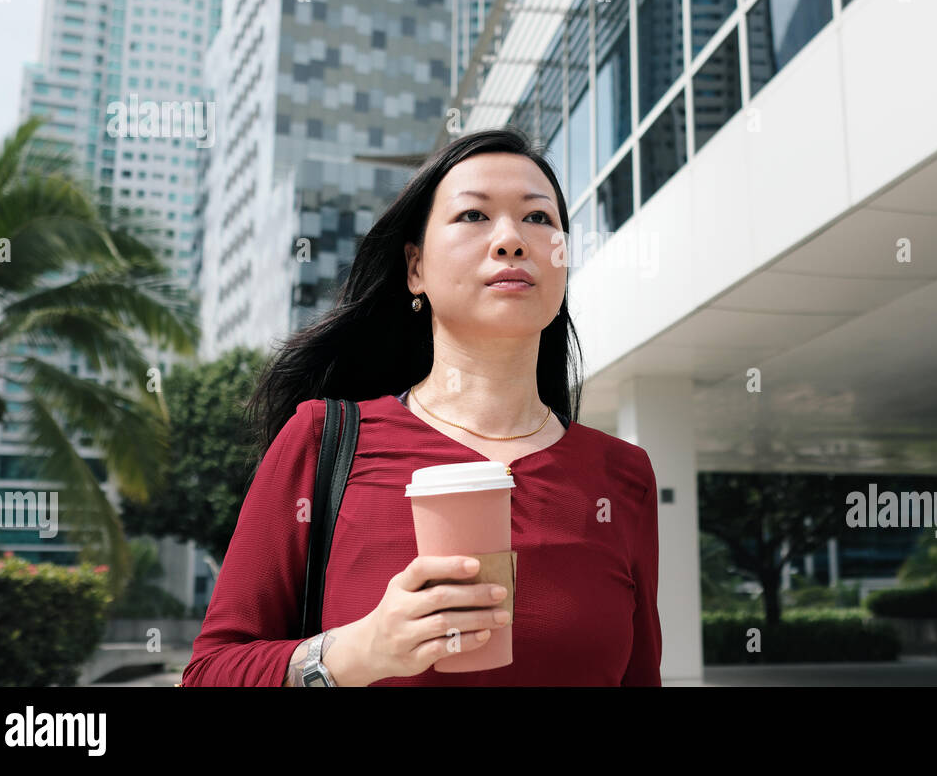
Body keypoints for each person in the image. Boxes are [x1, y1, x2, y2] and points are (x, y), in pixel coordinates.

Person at [180, 127, 661, 686]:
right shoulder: (324, 439)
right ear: (416, 268)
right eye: (473, 216)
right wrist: (355, 652)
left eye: (539, 218)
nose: (511, 239)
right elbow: (208, 675)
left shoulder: (624, 476)